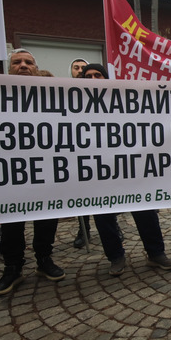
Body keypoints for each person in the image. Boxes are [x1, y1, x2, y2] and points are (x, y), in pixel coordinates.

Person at [79, 63, 171, 275]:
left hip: (131, 169)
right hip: (98, 172)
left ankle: (155, 253)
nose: (94, 79)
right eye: (89, 76)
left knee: (145, 211)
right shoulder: (76, 107)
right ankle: (115, 257)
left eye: (99, 75)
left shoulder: (124, 101)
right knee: (104, 217)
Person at [0, 49, 64, 295]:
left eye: (28, 62)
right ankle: (12, 268)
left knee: (47, 218)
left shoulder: (53, 97)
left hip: (47, 169)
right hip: (12, 172)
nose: (23, 65)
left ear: (36, 67)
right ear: (9, 68)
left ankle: (44, 260)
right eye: (17, 62)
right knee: (12, 222)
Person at [69, 57, 94, 248]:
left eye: (83, 67)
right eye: (76, 68)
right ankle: (83, 230)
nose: (80, 71)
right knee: (82, 196)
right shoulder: (67, 95)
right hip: (79, 154)